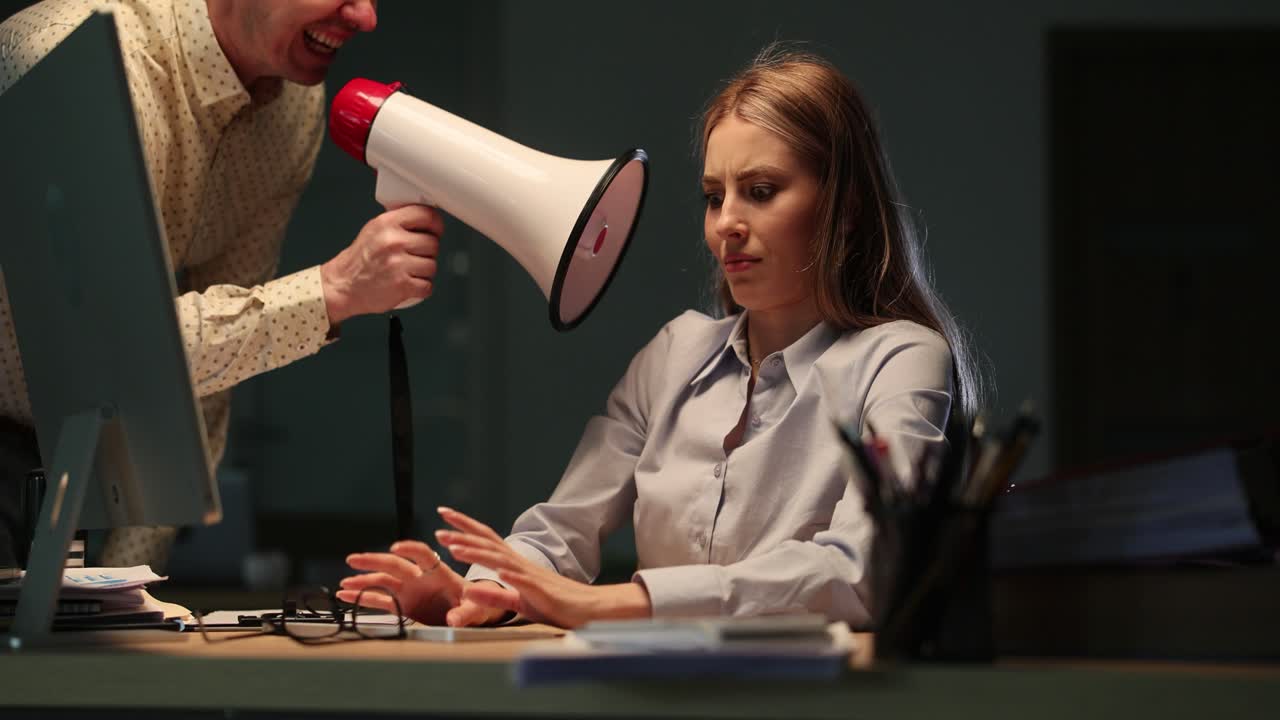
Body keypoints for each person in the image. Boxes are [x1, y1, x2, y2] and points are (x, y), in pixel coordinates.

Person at [338, 45, 983, 628]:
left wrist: (612, 602)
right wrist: (478, 591)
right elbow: (560, 534)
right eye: (712, 196)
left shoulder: (900, 359)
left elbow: (862, 571)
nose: (726, 223)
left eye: (760, 191)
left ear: (842, 208)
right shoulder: (675, 354)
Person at [0, 0, 443, 569]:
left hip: (63, 458)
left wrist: (130, 580)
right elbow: (102, 356)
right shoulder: (80, 63)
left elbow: (208, 370)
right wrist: (336, 289)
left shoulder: (294, 105)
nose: (366, 16)